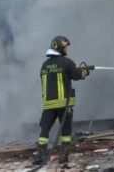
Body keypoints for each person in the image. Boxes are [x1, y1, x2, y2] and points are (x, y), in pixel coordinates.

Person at [33, 35, 91, 166]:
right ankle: (64, 156)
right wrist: (85, 71)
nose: (67, 50)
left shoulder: (45, 65)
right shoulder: (66, 62)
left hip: (48, 104)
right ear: (60, 47)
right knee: (65, 131)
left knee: (44, 130)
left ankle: (41, 154)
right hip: (64, 104)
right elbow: (77, 75)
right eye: (65, 47)